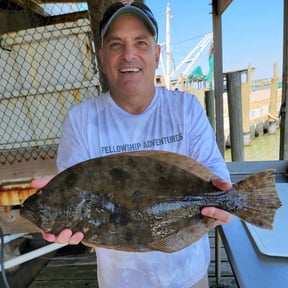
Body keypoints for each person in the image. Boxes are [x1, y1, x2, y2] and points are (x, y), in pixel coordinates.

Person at [32, 2, 232, 288]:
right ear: (102, 57)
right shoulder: (80, 120)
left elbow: (214, 173)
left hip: (187, 275)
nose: (129, 54)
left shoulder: (185, 108)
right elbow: (75, 202)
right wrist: (57, 211)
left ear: (156, 53)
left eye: (141, 42)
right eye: (116, 44)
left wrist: (223, 197)